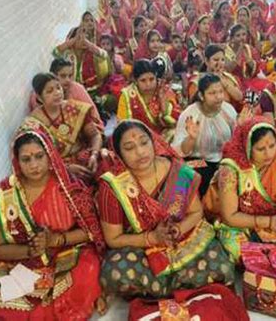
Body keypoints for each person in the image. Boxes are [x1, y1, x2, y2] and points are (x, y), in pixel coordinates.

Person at [98, 119, 235, 299]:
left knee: (222, 267)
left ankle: (160, 292)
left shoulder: (177, 170)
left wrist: (179, 229)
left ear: (153, 142)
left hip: (182, 238)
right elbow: (113, 238)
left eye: (144, 142)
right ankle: (188, 288)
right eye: (129, 148)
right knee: (114, 273)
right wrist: (152, 238)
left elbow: (196, 213)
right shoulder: (113, 186)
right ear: (119, 154)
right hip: (141, 248)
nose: (140, 152)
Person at [0, 130, 105, 319]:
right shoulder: (6, 193)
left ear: (49, 154)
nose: (34, 165)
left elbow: (91, 231)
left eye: (39, 156)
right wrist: (30, 251)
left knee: (88, 270)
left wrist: (56, 240)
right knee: (0, 294)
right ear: (17, 162)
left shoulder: (69, 187)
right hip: (23, 262)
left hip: (68, 253)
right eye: (26, 159)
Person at [207, 117, 276, 262]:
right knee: (237, 249)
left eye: (272, 146)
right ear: (248, 146)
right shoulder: (231, 170)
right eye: (260, 149)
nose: (268, 154)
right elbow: (230, 216)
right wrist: (269, 222)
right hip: (241, 222)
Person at [22, 73, 103, 179]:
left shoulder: (75, 108)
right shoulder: (34, 123)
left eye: (58, 87)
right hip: (59, 169)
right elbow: (38, 160)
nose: (57, 93)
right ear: (39, 98)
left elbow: (95, 136)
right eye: (50, 91)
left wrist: (94, 155)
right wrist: (66, 168)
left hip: (86, 158)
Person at [172, 73, 238, 197]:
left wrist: (241, 127)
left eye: (220, 92)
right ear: (202, 96)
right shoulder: (190, 114)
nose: (218, 97)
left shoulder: (228, 110)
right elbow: (180, 151)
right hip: (200, 161)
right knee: (183, 172)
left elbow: (236, 143)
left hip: (224, 161)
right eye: (212, 93)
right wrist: (191, 138)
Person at [117, 59, 180, 142]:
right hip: (138, 137)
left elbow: (175, 121)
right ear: (135, 81)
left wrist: (164, 107)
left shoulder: (164, 90)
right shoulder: (127, 95)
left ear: (156, 78)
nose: (148, 84)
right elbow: (123, 125)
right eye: (143, 80)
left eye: (151, 79)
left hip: (163, 135)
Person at [28, 59, 100, 125]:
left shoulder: (76, 88)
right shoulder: (37, 97)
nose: (68, 80)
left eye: (70, 76)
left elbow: (94, 115)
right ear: (53, 76)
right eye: (63, 76)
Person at [53, 20, 110, 96]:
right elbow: (55, 52)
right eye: (80, 38)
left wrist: (87, 43)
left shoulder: (92, 53)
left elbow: (104, 54)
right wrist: (74, 39)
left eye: (86, 38)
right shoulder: (68, 54)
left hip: (91, 92)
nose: (83, 41)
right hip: (71, 92)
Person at [224, 24, 269, 95]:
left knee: (267, 86)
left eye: (244, 34)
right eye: (238, 35)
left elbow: (258, 67)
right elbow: (227, 70)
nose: (242, 38)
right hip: (233, 83)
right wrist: (239, 52)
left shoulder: (249, 48)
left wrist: (249, 61)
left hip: (249, 80)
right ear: (232, 38)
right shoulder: (225, 51)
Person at [202, 44, 243, 109]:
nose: (220, 63)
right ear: (207, 61)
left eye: (222, 60)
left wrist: (222, 80)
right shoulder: (199, 80)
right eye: (216, 60)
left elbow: (239, 97)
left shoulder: (228, 77)